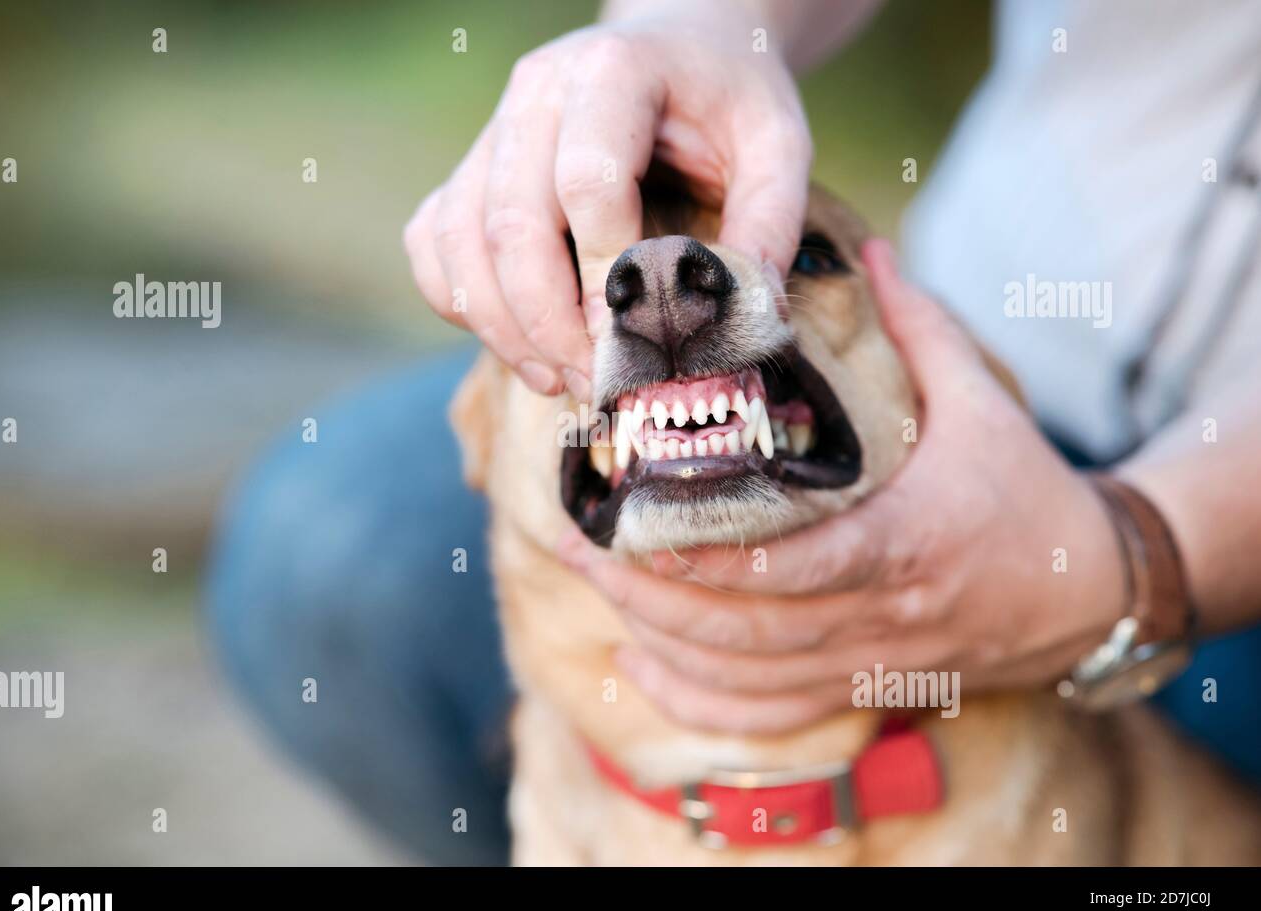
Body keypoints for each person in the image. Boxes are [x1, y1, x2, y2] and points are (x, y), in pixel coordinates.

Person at [208, 0, 1261, 866]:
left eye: (805, 255)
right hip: (1002, 314)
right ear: (481, 436)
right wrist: (692, 34)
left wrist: (1141, 556)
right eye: (596, 270)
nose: (663, 283)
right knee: (332, 530)